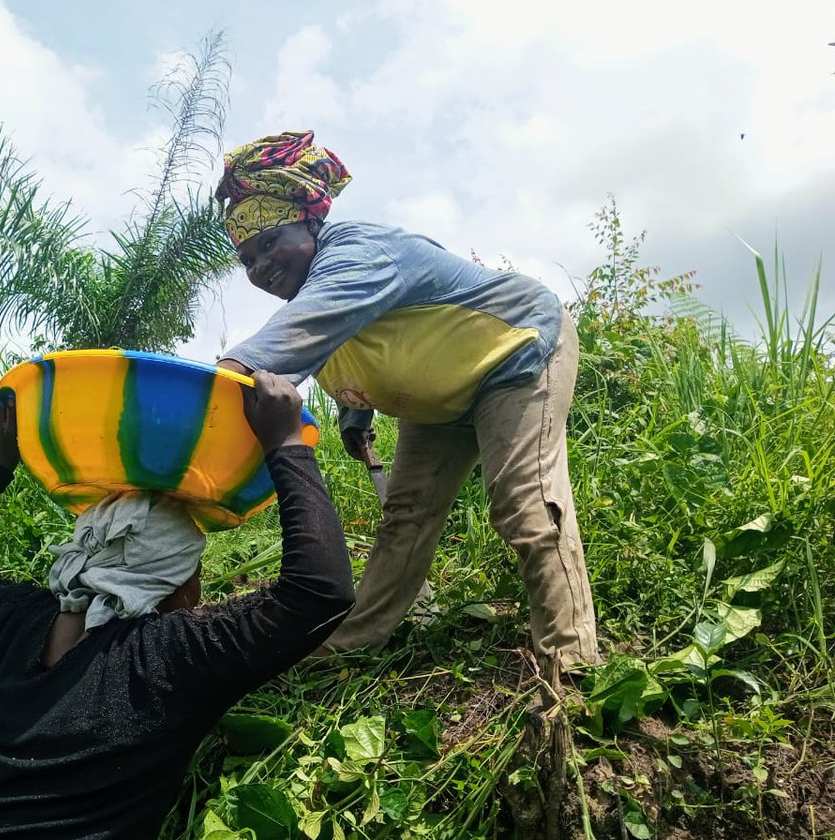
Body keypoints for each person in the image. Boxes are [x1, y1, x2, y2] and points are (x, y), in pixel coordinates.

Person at [0, 370, 354, 840]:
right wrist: (286, 443)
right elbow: (320, 592)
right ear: (176, 583)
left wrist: (0, 462)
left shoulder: (7, 621)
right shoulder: (173, 658)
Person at [214, 130, 601, 673]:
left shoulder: (356, 253)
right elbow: (353, 348)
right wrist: (356, 416)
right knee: (406, 516)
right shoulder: (316, 289)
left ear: (309, 223)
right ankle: (350, 646)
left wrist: (194, 406)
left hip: (515, 350)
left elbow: (277, 347)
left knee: (523, 501)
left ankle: (573, 662)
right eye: (247, 259)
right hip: (442, 394)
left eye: (271, 241)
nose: (260, 267)